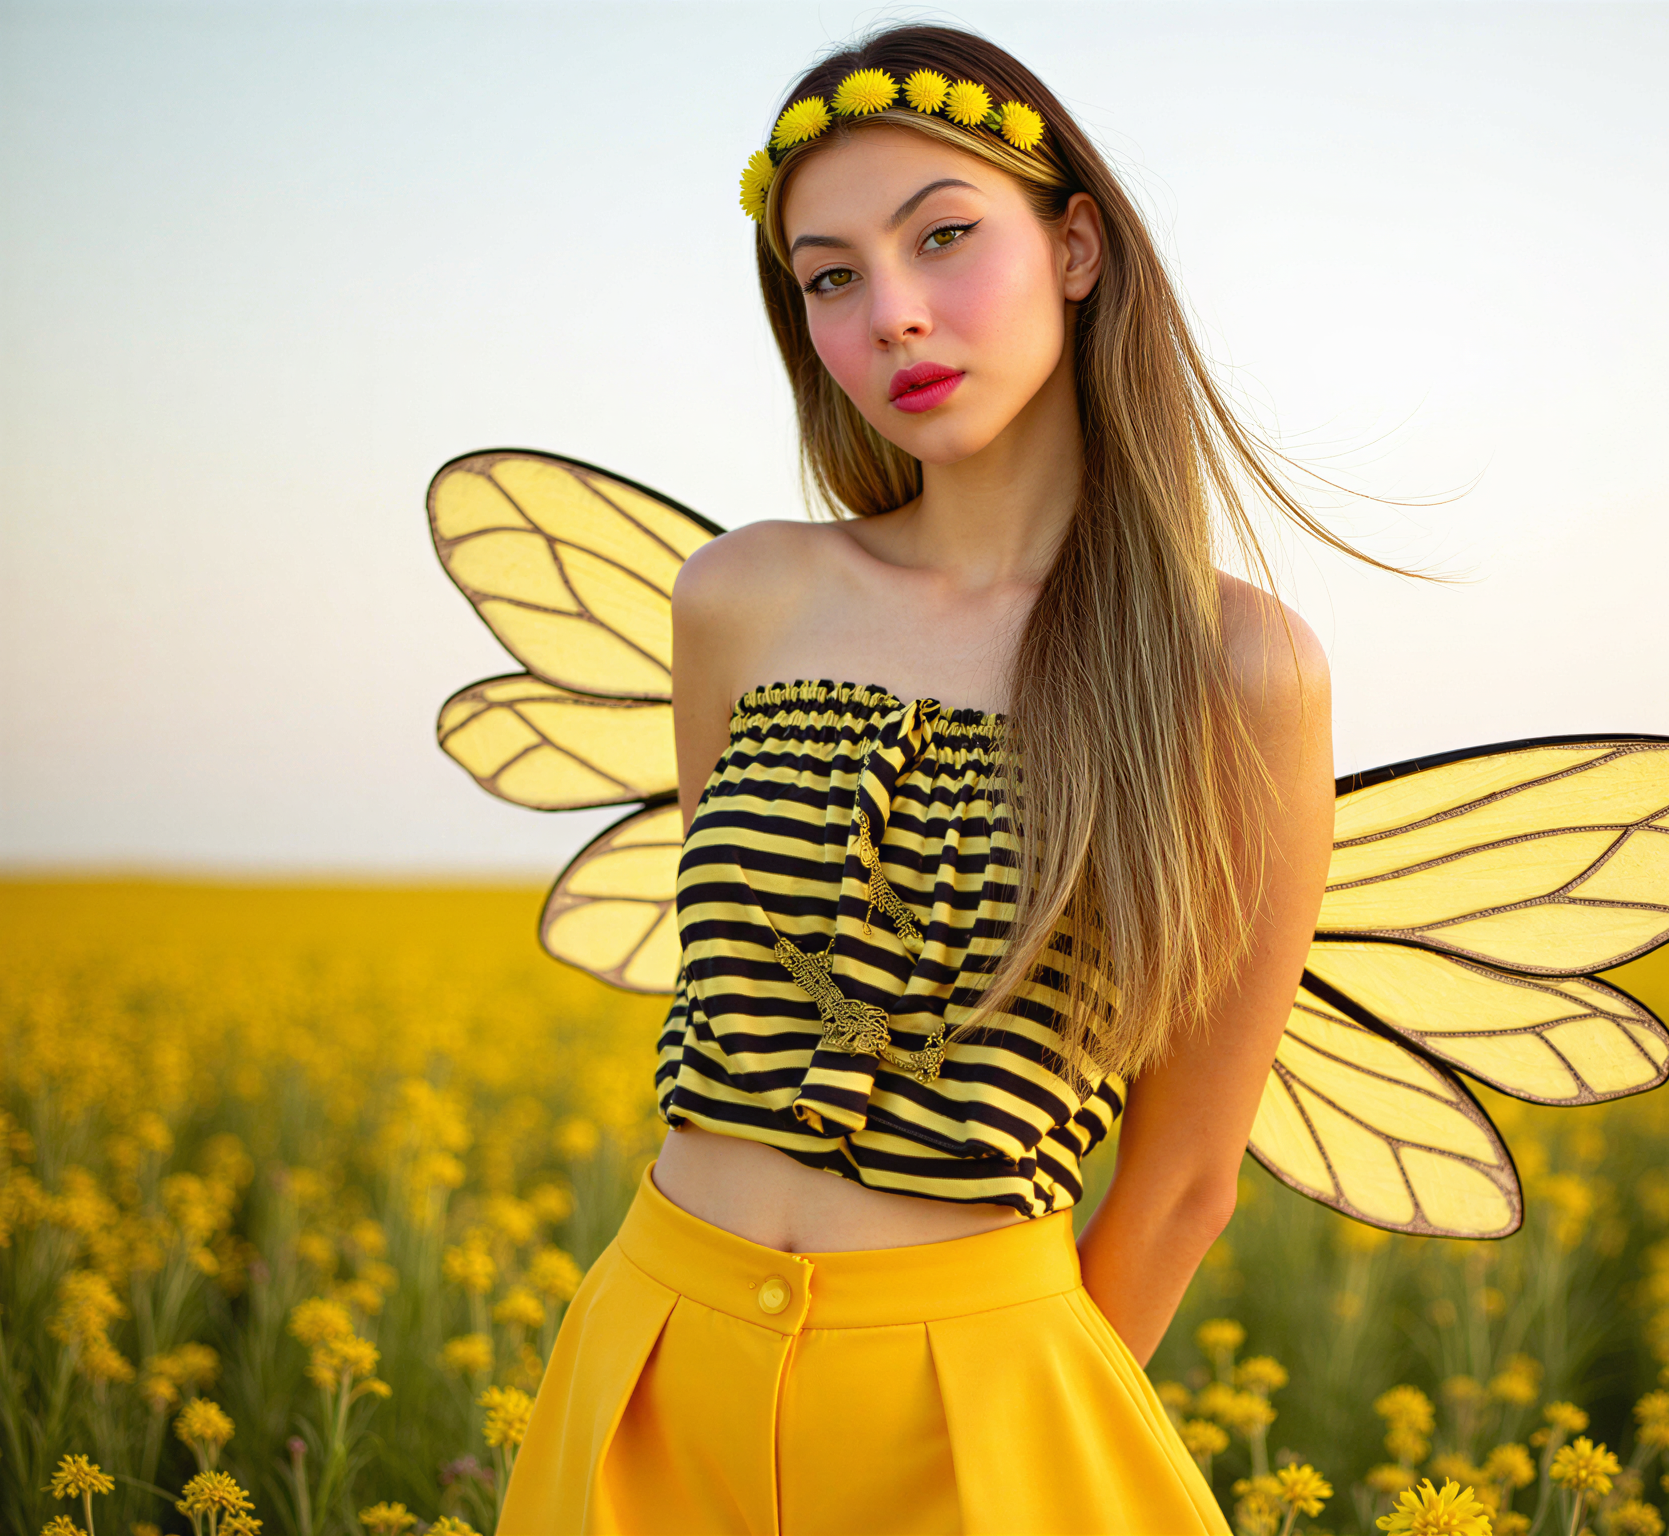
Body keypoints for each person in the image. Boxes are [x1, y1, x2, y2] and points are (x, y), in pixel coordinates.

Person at [499, 22, 1352, 1535]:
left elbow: (1180, 1183)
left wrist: (1000, 1413)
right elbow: (745, 975)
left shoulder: (1238, 675)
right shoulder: (741, 599)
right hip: (650, 1359)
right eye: (831, 276)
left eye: (944, 238)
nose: (892, 315)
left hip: (979, 1400)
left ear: (1075, 245)